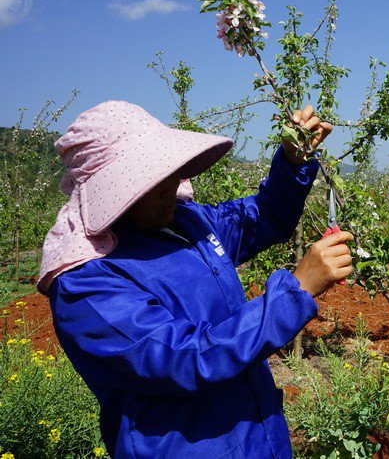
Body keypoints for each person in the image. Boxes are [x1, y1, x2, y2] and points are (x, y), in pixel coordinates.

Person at [38, 100, 352, 458]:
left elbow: (263, 217)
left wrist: (293, 161)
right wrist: (296, 291)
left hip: (257, 437)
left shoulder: (186, 224)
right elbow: (187, 359)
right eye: (148, 181)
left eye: (167, 171)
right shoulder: (87, 283)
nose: (169, 186)